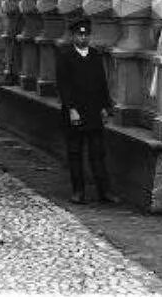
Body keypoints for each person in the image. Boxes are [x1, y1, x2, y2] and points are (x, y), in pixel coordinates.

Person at [55, 17, 114, 205]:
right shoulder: (65, 56)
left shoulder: (95, 55)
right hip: (75, 113)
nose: (83, 38)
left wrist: (105, 106)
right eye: (80, 35)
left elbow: (102, 82)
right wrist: (71, 108)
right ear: (73, 36)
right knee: (75, 153)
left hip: (94, 111)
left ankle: (103, 192)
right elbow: (63, 85)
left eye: (86, 34)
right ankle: (78, 191)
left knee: (98, 153)